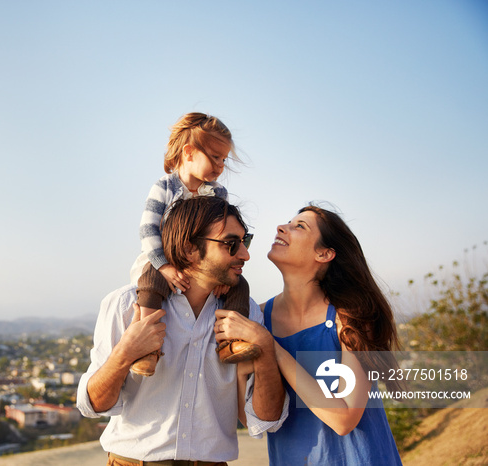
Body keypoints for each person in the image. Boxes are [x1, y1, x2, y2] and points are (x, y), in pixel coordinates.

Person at [76, 196, 288, 465]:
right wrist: (125, 353)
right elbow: (91, 405)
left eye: (244, 242)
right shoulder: (126, 305)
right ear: (189, 248)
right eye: (231, 244)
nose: (245, 254)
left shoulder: (246, 315)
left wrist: (266, 347)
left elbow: (264, 420)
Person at [215, 204, 403, 465]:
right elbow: (253, 422)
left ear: (324, 253)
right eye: (289, 223)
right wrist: (240, 371)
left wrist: (270, 348)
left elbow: (344, 418)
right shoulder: (257, 319)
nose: (282, 227)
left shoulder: (350, 318)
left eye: (299, 226)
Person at [130, 112, 259, 377]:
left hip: (201, 263)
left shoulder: (217, 193)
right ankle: (146, 349)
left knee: (239, 286)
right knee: (151, 283)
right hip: (163, 259)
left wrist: (220, 271)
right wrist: (163, 265)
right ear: (189, 153)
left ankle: (230, 343)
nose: (220, 165)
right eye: (214, 157)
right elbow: (148, 227)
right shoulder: (165, 187)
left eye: (223, 159)